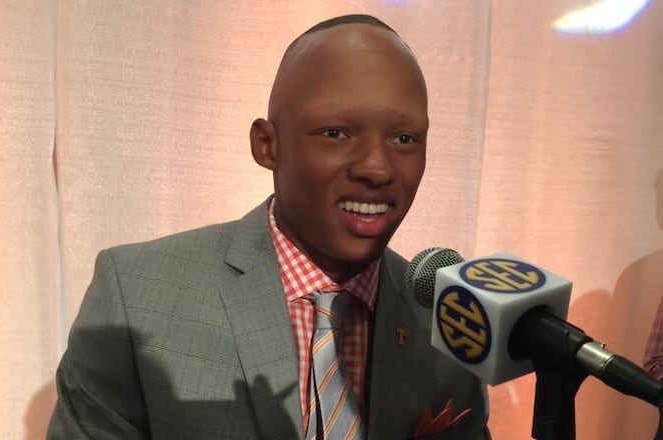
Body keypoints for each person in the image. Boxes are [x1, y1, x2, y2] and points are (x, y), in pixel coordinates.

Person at [47, 14, 490, 440]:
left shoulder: (448, 324)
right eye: (336, 133)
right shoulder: (139, 298)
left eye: (404, 139)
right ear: (267, 145)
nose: (377, 167)